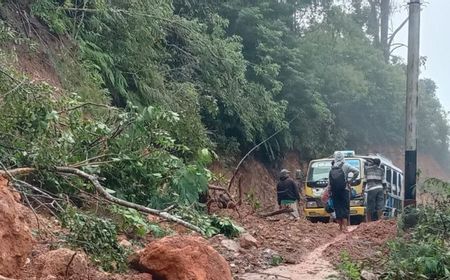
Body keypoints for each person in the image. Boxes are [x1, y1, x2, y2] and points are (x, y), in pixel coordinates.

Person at [329, 152, 359, 231]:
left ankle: (340, 228)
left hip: (335, 191)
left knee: (337, 208)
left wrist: (329, 190)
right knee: (345, 208)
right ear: (343, 157)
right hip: (344, 189)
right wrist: (350, 181)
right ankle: (345, 227)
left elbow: (330, 180)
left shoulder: (333, 166)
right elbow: (356, 171)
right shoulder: (346, 165)